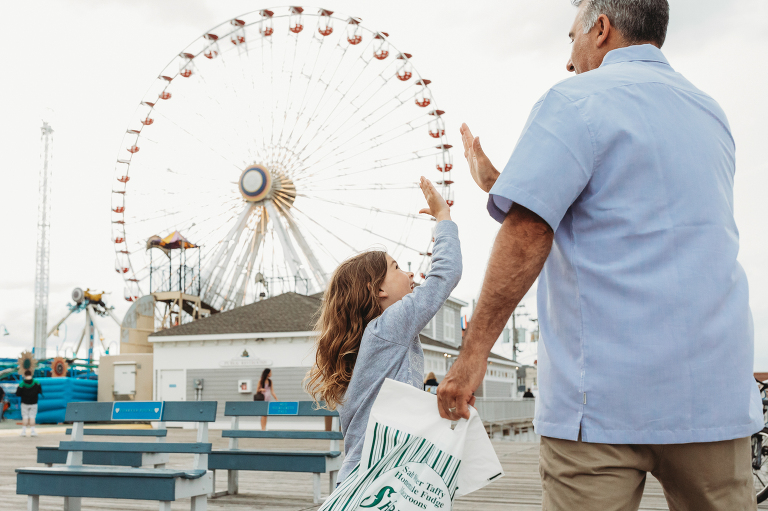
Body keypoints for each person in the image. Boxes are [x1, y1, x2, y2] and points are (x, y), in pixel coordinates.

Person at [436, 1, 761, 510]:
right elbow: (628, 210)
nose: (568, 58)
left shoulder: (574, 101)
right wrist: (499, 183)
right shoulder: (710, 112)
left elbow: (528, 230)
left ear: (602, 29)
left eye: (571, 38)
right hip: (714, 391)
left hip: (604, 397)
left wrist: (470, 359)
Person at [306, 177, 461, 485]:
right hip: (382, 478)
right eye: (397, 267)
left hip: (362, 478)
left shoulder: (368, 342)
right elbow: (445, 274)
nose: (410, 273)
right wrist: (443, 218)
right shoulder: (389, 327)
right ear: (377, 289)